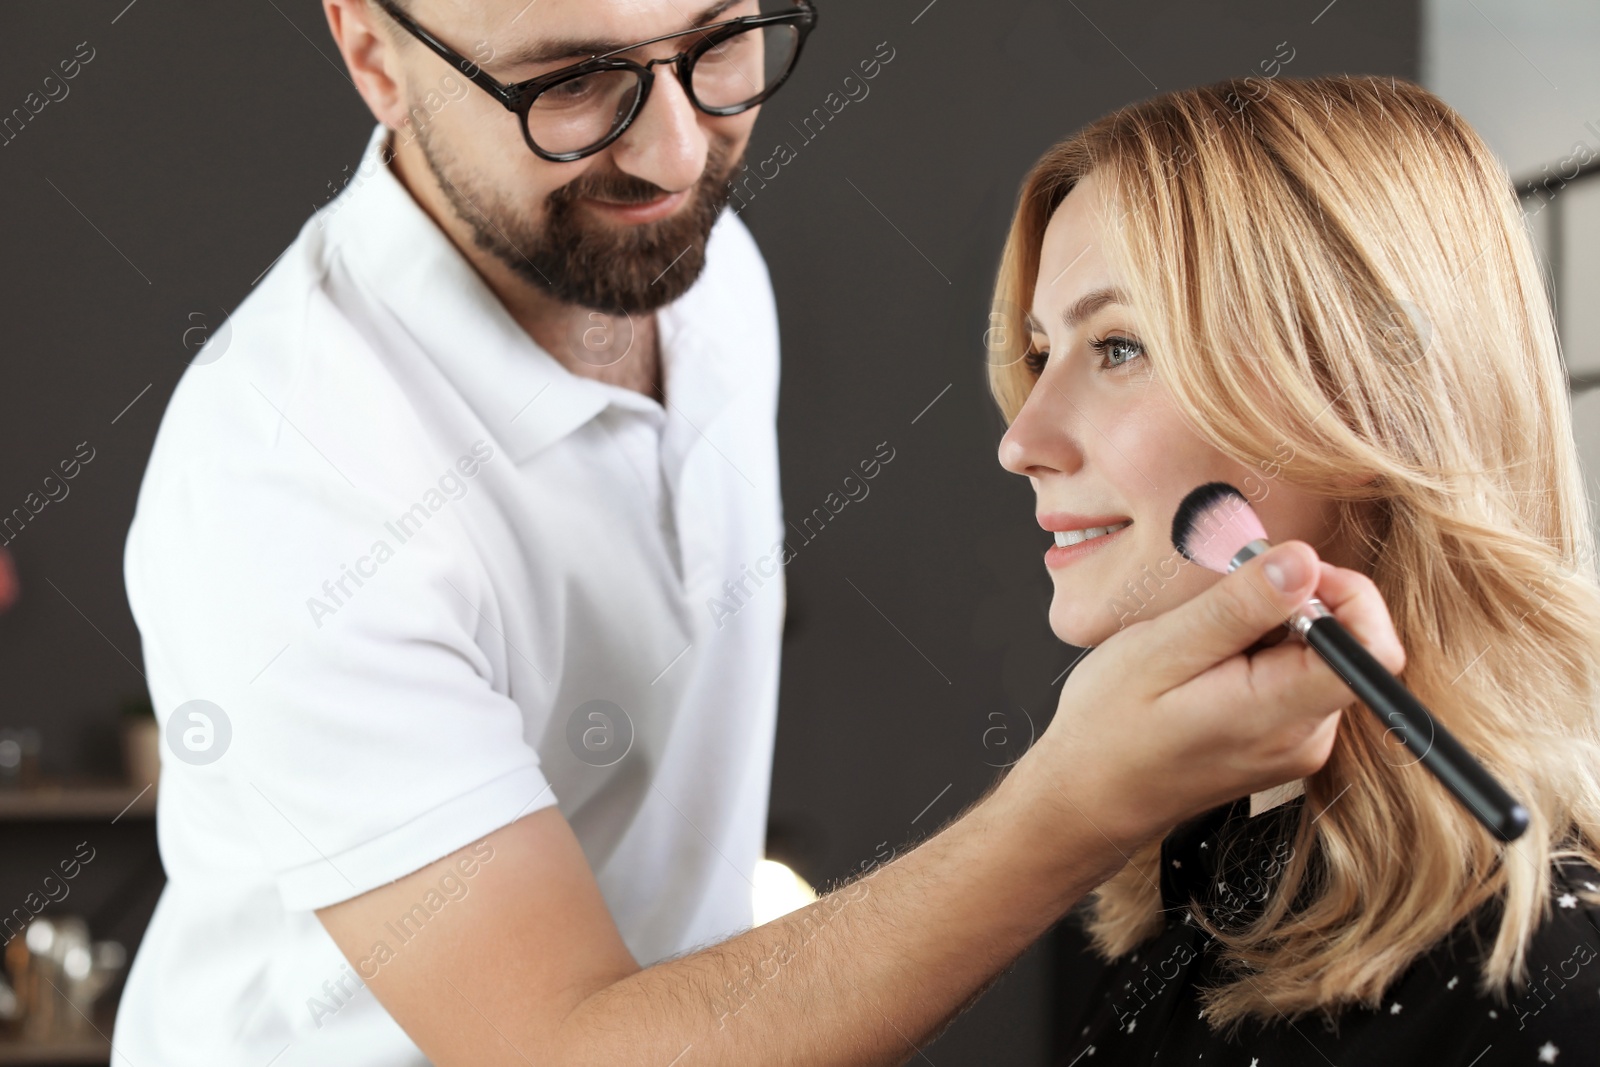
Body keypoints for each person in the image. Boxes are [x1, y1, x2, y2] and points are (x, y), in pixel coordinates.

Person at [113, 3, 1403, 1065]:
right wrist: (1068, 805)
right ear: (372, 54)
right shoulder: (290, 472)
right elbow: (563, 1050)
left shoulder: (697, 268)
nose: (677, 152)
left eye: (720, 42)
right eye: (571, 82)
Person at [983, 74, 1600, 1064]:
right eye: (1040, 350)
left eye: (1119, 345)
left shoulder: (1540, 987)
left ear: (1364, 395)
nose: (1024, 439)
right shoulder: (1183, 910)